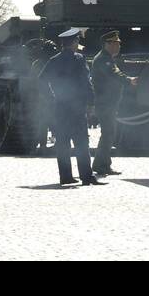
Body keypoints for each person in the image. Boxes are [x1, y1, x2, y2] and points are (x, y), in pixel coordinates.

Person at [39, 28, 102, 186]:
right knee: (81, 143)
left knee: (63, 143)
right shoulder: (79, 59)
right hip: (77, 107)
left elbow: (41, 80)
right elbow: (86, 82)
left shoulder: (54, 60)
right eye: (77, 41)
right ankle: (86, 176)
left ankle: (65, 176)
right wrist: (91, 103)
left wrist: (51, 97)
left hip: (60, 107)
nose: (78, 44)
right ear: (73, 42)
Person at [91, 30, 137, 177]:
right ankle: (100, 165)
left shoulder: (107, 58)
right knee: (108, 134)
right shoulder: (103, 59)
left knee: (108, 134)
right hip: (105, 103)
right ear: (107, 44)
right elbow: (114, 74)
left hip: (108, 102)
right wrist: (129, 80)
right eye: (116, 43)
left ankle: (103, 164)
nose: (118, 46)